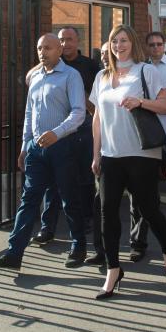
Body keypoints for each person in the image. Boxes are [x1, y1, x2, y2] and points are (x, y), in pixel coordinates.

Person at [91, 25, 166, 300]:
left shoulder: (146, 71)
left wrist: (140, 101)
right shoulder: (101, 76)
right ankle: (113, 269)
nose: (119, 45)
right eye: (115, 41)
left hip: (141, 153)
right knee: (107, 212)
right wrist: (96, 155)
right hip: (111, 155)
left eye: (124, 40)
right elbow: (97, 118)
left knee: (149, 209)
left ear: (133, 43)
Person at [0, 33, 87, 271]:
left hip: (62, 147)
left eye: (48, 48)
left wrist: (57, 133)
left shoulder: (71, 76)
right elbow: (30, 114)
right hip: (36, 150)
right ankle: (14, 253)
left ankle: (78, 246)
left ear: (59, 50)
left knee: (69, 199)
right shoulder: (36, 78)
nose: (43, 52)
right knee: (28, 201)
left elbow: (79, 112)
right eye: (39, 48)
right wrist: (24, 146)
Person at [34, 26, 101, 254]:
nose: (65, 44)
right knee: (52, 184)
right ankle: (47, 226)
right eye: (61, 40)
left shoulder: (90, 66)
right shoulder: (51, 63)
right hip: (54, 134)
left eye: (69, 39)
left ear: (77, 41)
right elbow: (29, 79)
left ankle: (86, 219)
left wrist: (83, 99)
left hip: (81, 129)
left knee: (83, 178)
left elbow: (97, 102)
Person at [128, 31, 166, 262]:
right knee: (144, 190)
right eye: (151, 44)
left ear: (164, 46)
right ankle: (138, 241)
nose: (155, 48)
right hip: (149, 128)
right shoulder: (140, 68)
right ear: (146, 47)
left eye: (159, 44)